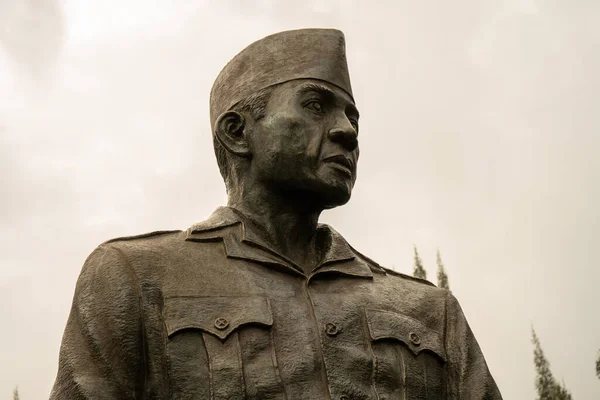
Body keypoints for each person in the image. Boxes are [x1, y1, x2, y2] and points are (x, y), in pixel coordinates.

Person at [51, 28, 502, 399]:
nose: (347, 131)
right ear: (238, 133)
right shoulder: (134, 277)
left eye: (352, 117)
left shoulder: (431, 311)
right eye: (314, 105)